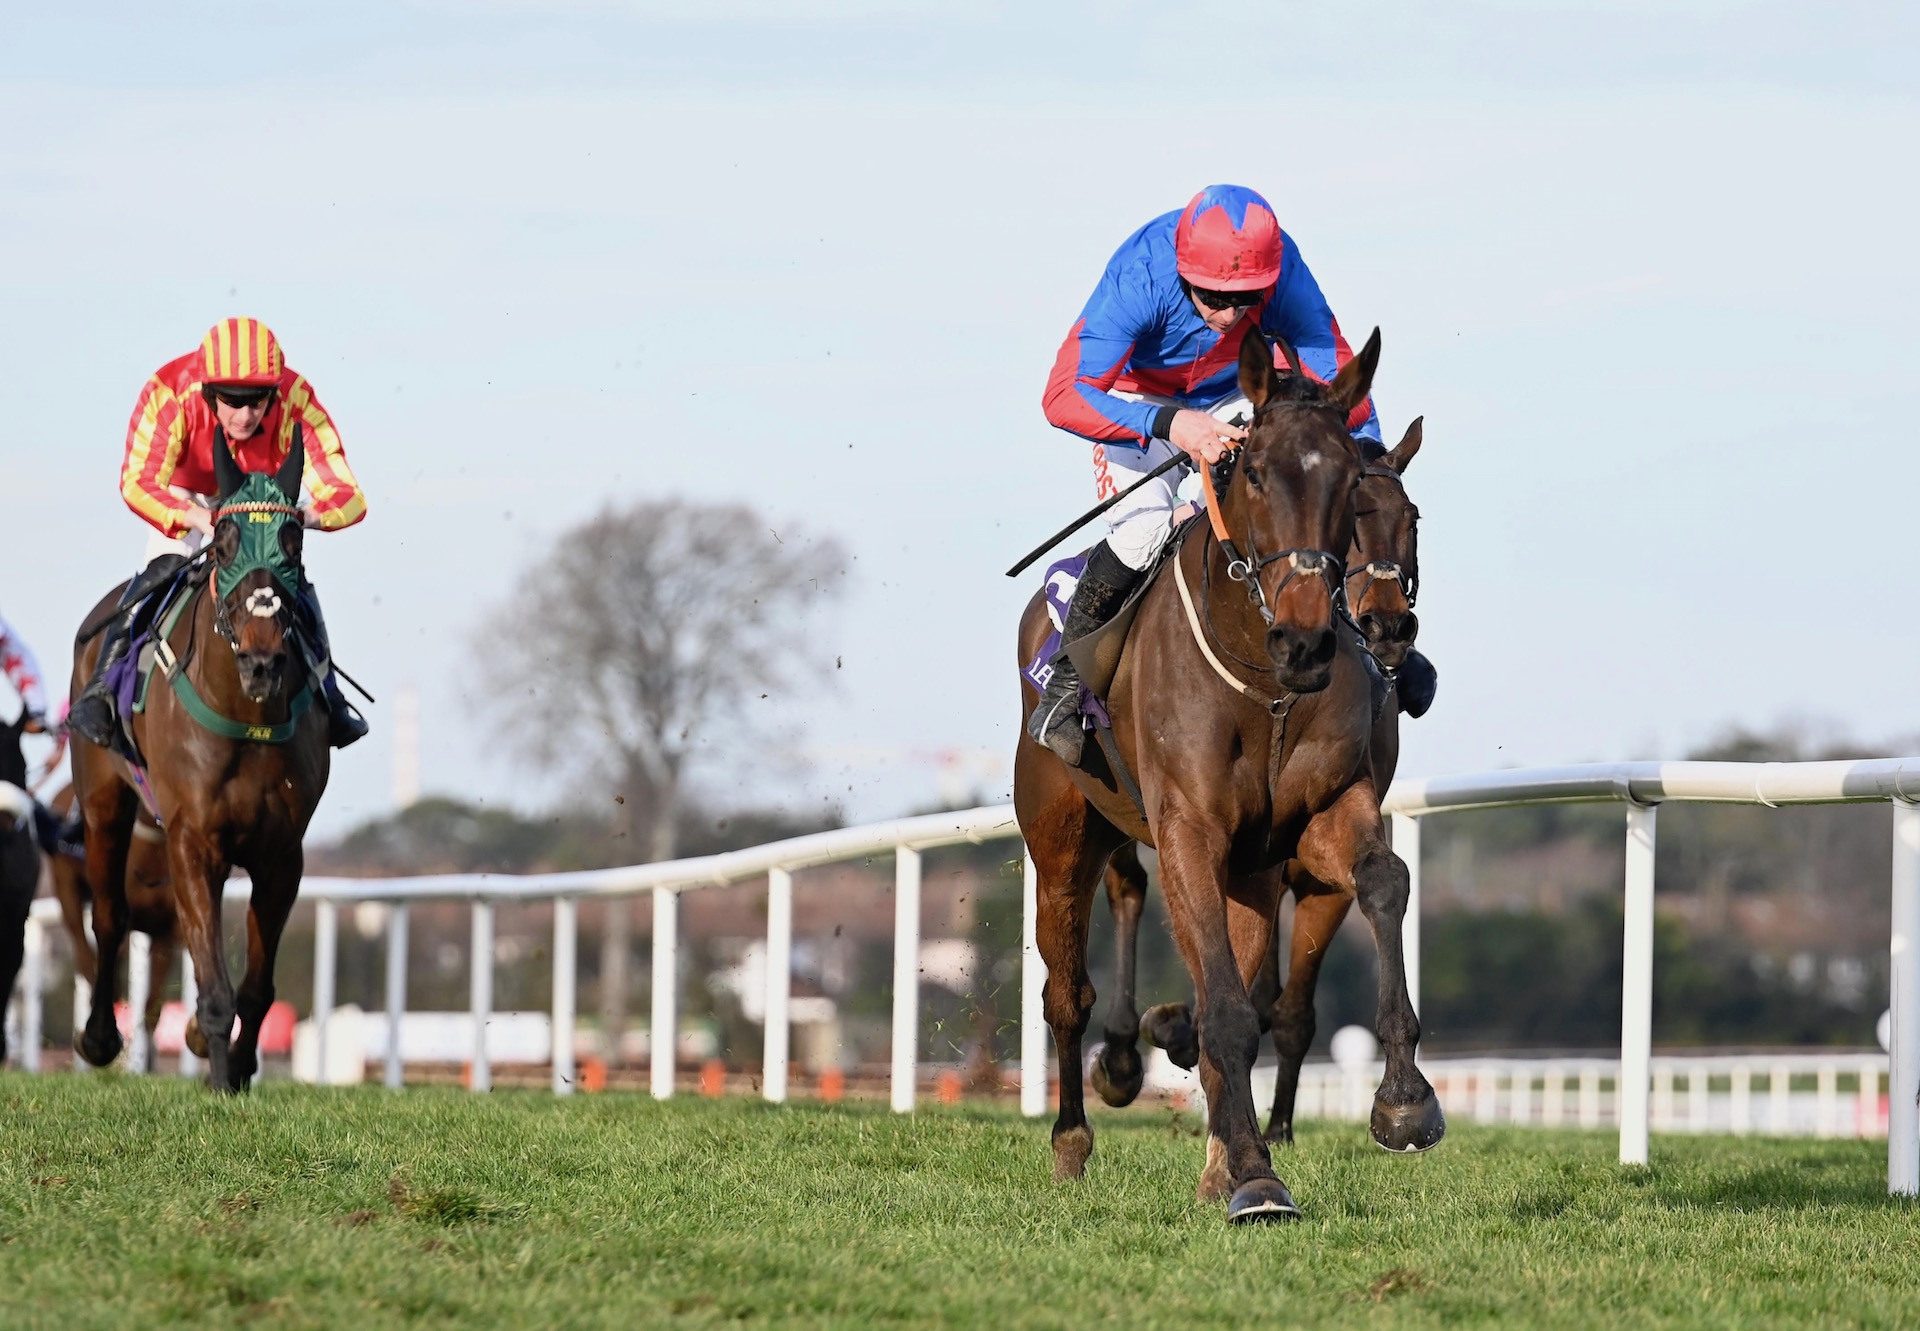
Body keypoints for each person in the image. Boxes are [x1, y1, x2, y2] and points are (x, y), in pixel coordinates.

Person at [1031, 184, 1436, 764]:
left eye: (1245, 300)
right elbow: (1063, 396)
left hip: (1237, 394)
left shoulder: (1284, 273)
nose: (1227, 315)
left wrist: (1365, 465)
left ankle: (1376, 639)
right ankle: (1067, 681)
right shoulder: (1139, 278)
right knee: (1146, 531)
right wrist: (1171, 424)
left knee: (1298, 504)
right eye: (1211, 297)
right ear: (1180, 273)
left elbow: (1336, 376)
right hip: (1137, 401)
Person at [68, 317, 369, 750]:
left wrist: (302, 517)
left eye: (258, 401)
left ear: (275, 391)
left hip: (259, 501)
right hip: (187, 494)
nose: (245, 415)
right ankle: (99, 690)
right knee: (166, 565)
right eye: (231, 401)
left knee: (288, 579)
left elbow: (350, 496)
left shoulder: (297, 399)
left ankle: (332, 697)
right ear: (209, 393)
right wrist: (195, 517)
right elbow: (138, 481)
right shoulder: (170, 392)